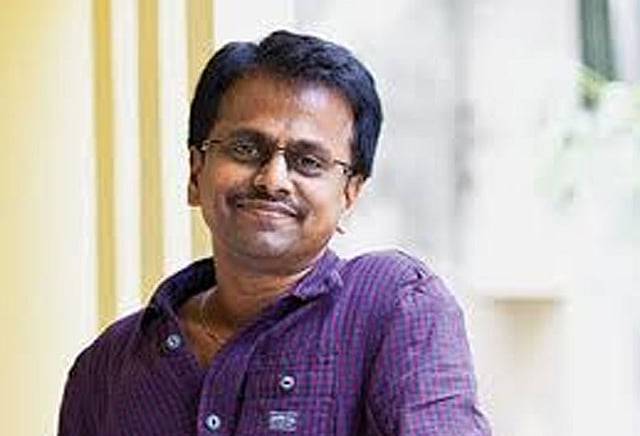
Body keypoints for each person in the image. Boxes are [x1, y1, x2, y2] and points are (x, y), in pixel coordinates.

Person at [58, 30, 491, 435]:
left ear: (350, 192)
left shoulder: (394, 307)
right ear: (195, 172)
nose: (273, 180)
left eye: (309, 162)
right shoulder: (108, 366)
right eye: (246, 149)